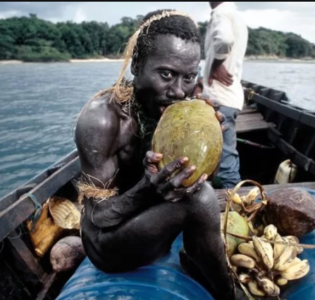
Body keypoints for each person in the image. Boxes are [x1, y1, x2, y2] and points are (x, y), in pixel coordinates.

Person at [75, 9, 245, 300]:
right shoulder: (103, 120)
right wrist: (146, 188)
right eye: (166, 74)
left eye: (189, 77)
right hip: (107, 244)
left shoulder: (183, 111)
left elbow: (203, 178)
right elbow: (99, 217)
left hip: (151, 227)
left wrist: (213, 140)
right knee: (200, 200)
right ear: (137, 65)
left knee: (199, 190)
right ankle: (227, 293)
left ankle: (195, 258)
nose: (178, 91)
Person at [201, 2, 249, 189]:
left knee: (226, 155)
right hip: (230, 95)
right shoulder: (235, 14)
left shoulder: (221, 13)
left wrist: (215, 65)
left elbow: (225, 40)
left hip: (220, 97)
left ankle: (232, 203)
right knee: (223, 152)